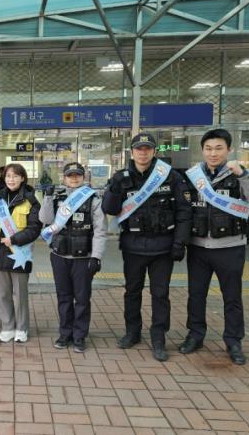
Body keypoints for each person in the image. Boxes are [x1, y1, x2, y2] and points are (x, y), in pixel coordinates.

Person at [178, 129, 249, 365]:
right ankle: (195, 335)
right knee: (196, 295)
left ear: (229, 149)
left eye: (219, 148)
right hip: (198, 247)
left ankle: (233, 341)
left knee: (232, 297)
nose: (213, 153)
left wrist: (243, 174)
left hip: (230, 247)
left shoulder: (240, 175)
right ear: (202, 150)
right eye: (208, 148)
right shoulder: (193, 176)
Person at [102, 133, 192, 362]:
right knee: (132, 292)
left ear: (154, 151)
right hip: (132, 247)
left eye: (147, 148)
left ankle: (158, 337)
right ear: (132, 152)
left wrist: (180, 243)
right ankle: (132, 332)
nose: (143, 153)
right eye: (139, 149)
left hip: (163, 248)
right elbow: (110, 209)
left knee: (160, 294)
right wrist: (114, 188)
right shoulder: (121, 177)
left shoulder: (170, 176)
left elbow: (184, 212)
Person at [39, 162, 107, 353]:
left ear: (83, 177)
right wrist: (47, 197)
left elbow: (100, 231)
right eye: (70, 175)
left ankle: (79, 335)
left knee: (82, 298)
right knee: (64, 297)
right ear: (64, 178)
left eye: (78, 175)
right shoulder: (57, 197)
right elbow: (45, 220)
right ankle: (65, 333)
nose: (74, 178)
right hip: (59, 255)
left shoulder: (93, 199)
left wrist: (96, 256)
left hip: (83, 258)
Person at [0, 163, 42, 343]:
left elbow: (34, 229)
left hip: (20, 254)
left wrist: (14, 239)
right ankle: (7, 327)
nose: (11, 179)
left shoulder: (31, 200)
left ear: (22, 178)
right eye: (8, 176)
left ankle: (22, 328)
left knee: (20, 294)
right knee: (3, 293)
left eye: (15, 176)